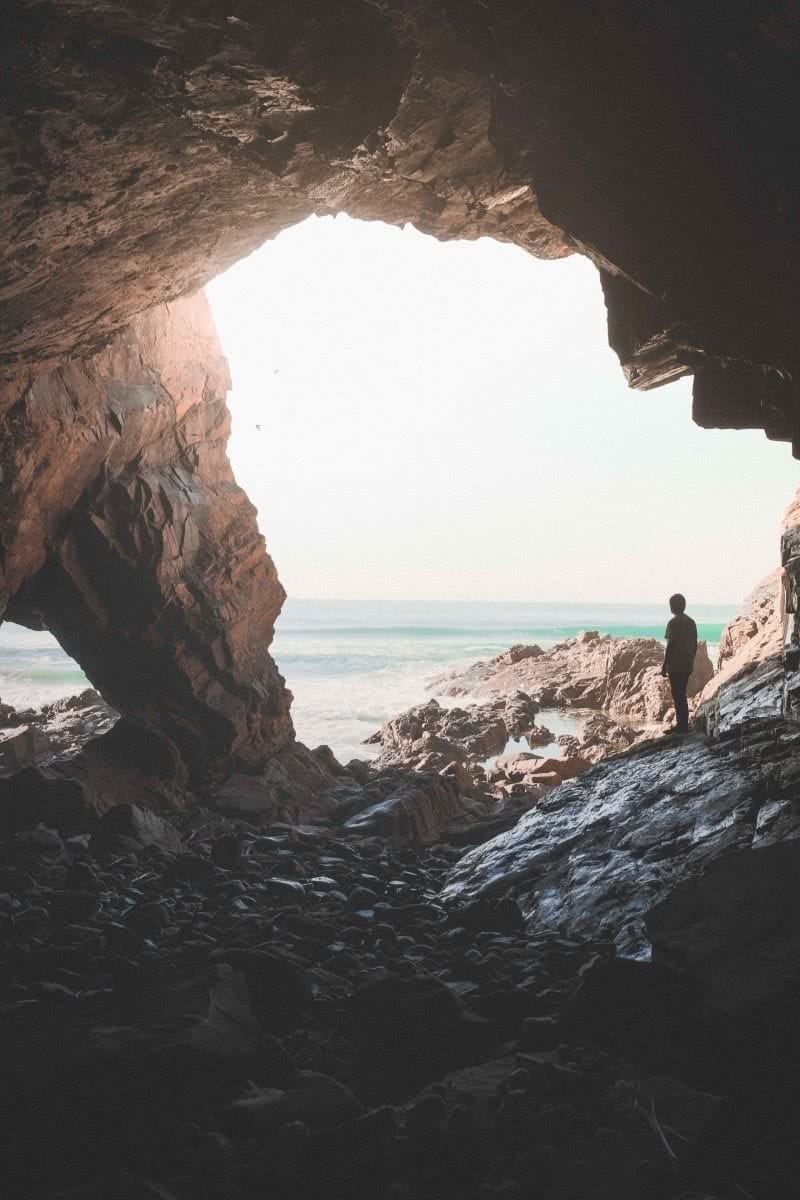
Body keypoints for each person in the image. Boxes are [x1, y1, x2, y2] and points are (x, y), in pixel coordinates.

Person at [661, 593, 697, 734]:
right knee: (681, 694)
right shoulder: (691, 622)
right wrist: (691, 660)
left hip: (675, 665)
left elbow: (670, 645)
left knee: (677, 695)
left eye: (671, 605)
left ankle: (681, 726)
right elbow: (694, 644)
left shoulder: (673, 623)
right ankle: (683, 724)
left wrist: (664, 665)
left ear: (675, 606)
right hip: (686, 664)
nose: (671, 607)